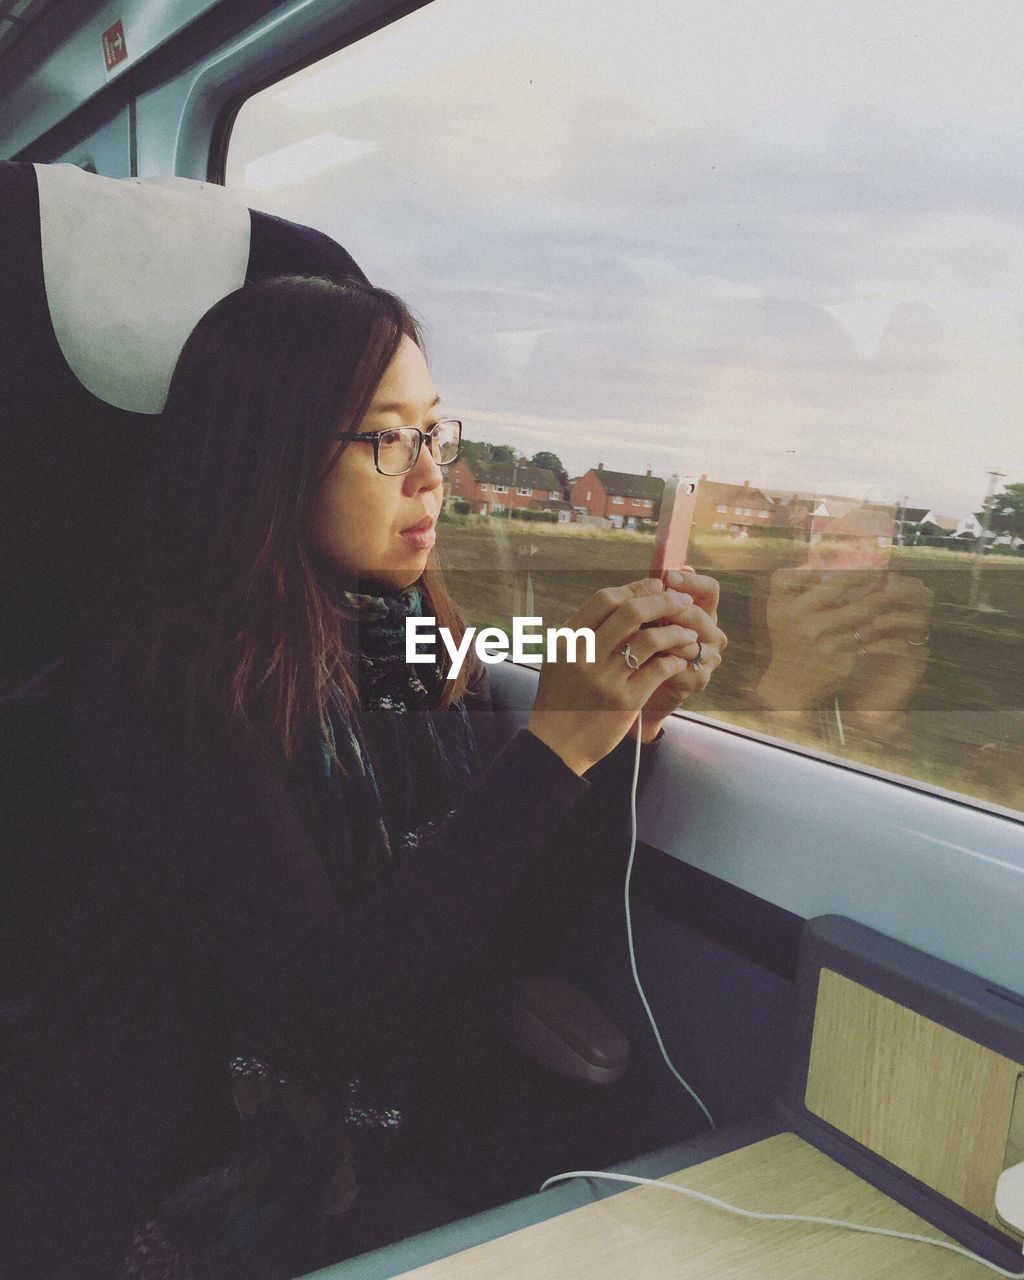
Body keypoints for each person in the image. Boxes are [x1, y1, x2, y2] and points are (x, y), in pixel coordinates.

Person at [1, 274, 726, 1280]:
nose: (432, 478)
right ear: (272, 457)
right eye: (386, 439)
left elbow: (492, 931)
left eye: (437, 432)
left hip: (376, 1127)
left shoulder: (400, 643)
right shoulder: (165, 683)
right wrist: (551, 748)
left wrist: (619, 737)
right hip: (184, 1169)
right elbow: (318, 1016)